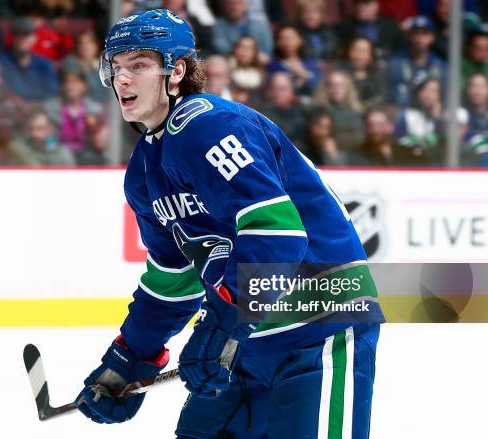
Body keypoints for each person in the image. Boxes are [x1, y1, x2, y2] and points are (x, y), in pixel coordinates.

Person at [75, 8, 384, 438]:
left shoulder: (211, 125)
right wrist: (129, 357)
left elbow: (277, 235)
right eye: (117, 68)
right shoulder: (144, 172)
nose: (123, 79)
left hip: (319, 331)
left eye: (140, 65)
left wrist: (224, 325)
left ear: (176, 71)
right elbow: (174, 277)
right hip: (245, 343)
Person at [44, 67, 107, 164]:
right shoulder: (51, 108)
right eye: (67, 82)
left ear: (84, 86)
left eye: (75, 81)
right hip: (58, 158)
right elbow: (48, 138)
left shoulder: (94, 110)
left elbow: (100, 141)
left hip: (88, 156)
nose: (70, 86)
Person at [386, 16, 447, 107]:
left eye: (425, 33)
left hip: (432, 113)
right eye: (416, 33)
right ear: (409, 36)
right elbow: (392, 100)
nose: (420, 38)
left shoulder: (440, 66)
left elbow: (446, 98)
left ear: (432, 37)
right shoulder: (396, 64)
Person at [0, 17, 59, 102]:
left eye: (26, 35)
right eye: (18, 35)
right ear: (13, 38)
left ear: (34, 39)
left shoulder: (44, 65)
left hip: (38, 111)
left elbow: (52, 93)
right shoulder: (1, 62)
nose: (22, 39)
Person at [313, 69, 366, 153]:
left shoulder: (357, 112)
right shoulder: (317, 111)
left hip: (355, 155)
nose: (336, 88)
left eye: (340, 85)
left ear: (348, 88)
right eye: (332, 85)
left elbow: (360, 138)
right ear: (326, 88)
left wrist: (335, 141)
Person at [333, 0, 406, 61]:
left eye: (366, 3)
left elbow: (403, 51)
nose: (360, 7)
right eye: (357, 3)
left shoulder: (391, 27)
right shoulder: (342, 27)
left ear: (376, 5)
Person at [267, 25, 323, 100]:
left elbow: (318, 85)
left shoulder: (311, 64)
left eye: (291, 38)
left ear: (300, 40)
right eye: (283, 38)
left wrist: (303, 74)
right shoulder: (273, 66)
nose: (287, 42)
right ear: (278, 42)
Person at [7, 110, 75, 166]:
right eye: (31, 129)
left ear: (50, 129)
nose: (34, 134)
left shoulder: (62, 153)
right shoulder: (18, 147)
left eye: (40, 129)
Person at [336, 36, 386, 109]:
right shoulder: (338, 75)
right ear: (348, 52)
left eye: (363, 51)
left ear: (371, 56)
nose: (359, 55)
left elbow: (381, 99)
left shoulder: (377, 77)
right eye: (355, 49)